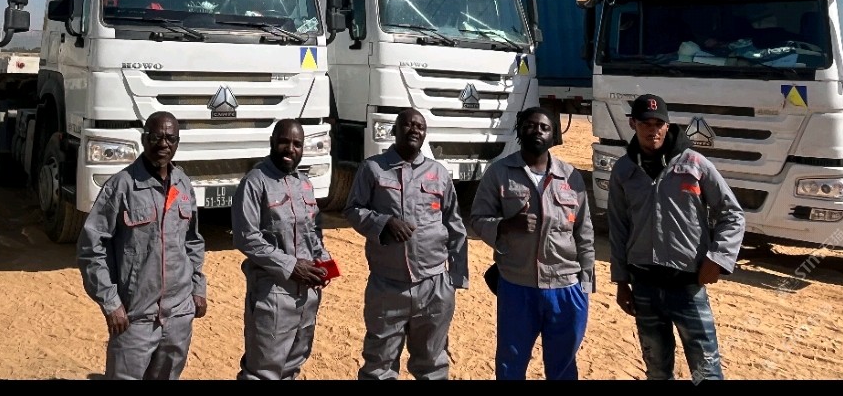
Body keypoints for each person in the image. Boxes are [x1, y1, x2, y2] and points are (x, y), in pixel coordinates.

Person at [608, 93, 745, 382]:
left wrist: (718, 258)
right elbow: (618, 228)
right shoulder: (623, 170)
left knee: (706, 372)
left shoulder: (695, 164)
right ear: (633, 124)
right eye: (645, 123)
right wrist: (621, 282)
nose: (653, 130)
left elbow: (732, 213)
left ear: (668, 126)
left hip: (687, 287)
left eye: (659, 124)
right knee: (657, 371)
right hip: (644, 287)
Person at [77, 111, 207, 380]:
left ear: (177, 142)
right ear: (144, 139)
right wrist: (110, 303)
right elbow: (91, 248)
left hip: (178, 316)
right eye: (156, 137)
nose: (163, 144)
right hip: (134, 317)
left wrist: (198, 287)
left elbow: (192, 242)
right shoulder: (121, 186)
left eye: (170, 138)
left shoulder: (183, 184)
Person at [468, 107, 595, 380]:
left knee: (563, 367)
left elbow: (584, 232)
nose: (537, 131)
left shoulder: (571, 176)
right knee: (510, 365)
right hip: (517, 286)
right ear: (519, 130)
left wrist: (585, 283)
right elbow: (477, 218)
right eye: (530, 125)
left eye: (544, 127)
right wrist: (506, 225)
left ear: (554, 135)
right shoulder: (499, 172)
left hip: (565, 287)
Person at [343, 107, 469, 380]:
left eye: (420, 127)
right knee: (379, 366)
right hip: (387, 286)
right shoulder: (373, 168)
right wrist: (384, 222)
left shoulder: (439, 173)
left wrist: (456, 277)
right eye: (408, 124)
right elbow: (353, 209)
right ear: (394, 130)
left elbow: (454, 224)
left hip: (434, 285)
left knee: (432, 365)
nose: (414, 130)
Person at [231, 118, 331, 380]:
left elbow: (314, 232)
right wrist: (291, 266)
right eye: (284, 142)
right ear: (272, 142)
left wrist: (325, 264)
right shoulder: (255, 182)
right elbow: (246, 237)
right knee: (262, 372)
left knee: (292, 367)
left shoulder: (304, 184)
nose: (290, 149)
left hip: (307, 295)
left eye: (297, 144)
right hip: (273, 294)